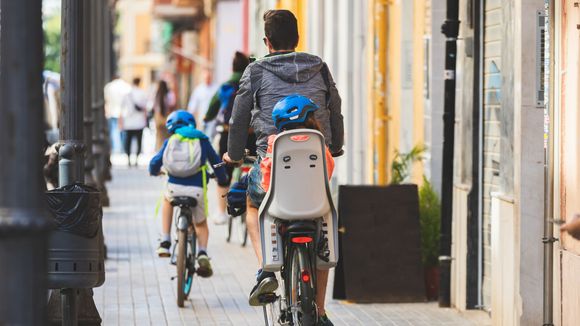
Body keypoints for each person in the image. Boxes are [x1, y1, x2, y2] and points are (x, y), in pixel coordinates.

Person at [222, 10, 343, 326]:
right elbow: (336, 109)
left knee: (252, 207)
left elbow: (238, 120)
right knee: (320, 225)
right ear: (298, 38)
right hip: (316, 171)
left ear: (267, 41)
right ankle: (320, 310)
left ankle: (266, 269)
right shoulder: (318, 66)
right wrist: (336, 146)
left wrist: (234, 156)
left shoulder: (256, 71)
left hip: (271, 171)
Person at [149, 110, 227, 278]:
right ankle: (203, 253)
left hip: (174, 188)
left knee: (166, 199)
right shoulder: (202, 139)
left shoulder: (171, 140)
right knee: (200, 224)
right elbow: (217, 162)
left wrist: (154, 171)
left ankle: (165, 241)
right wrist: (222, 178)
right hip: (197, 191)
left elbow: (155, 162)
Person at [204, 52, 257, 225]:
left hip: (229, 134)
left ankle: (221, 213)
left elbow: (213, 107)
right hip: (252, 135)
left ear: (232, 67)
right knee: (257, 164)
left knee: (223, 171)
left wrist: (207, 118)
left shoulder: (226, 85)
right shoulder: (255, 82)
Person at [119, 77, 148, 166]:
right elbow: (145, 108)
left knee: (128, 141)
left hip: (128, 121)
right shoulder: (142, 93)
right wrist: (146, 120)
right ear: (139, 83)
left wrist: (120, 121)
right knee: (139, 140)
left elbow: (121, 108)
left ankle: (128, 159)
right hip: (139, 122)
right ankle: (136, 159)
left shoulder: (127, 94)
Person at [187, 69, 217, 140]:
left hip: (213, 121)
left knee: (210, 139)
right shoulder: (198, 90)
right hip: (202, 120)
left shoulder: (216, 89)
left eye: (209, 77)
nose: (207, 79)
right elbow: (192, 107)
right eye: (206, 78)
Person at [104, 75, 131, 153]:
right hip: (123, 112)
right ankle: (123, 148)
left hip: (112, 111)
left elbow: (107, 100)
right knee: (124, 131)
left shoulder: (109, 86)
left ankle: (117, 148)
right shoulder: (126, 86)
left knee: (114, 130)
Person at [151, 80, 177, 151]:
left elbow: (153, 107)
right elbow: (173, 105)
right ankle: (167, 151)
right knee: (167, 136)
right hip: (167, 118)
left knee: (159, 137)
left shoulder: (156, 95)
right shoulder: (170, 94)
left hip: (158, 118)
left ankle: (159, 151)